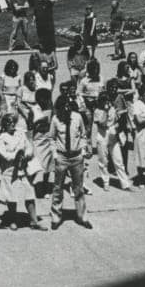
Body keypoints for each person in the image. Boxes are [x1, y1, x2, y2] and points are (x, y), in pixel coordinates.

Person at [49, 95, 91, 230]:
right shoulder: (55, 120)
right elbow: (51, 138)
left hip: (76, 157)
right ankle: (56, 217)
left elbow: (83, 135)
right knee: (58, 188)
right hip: (61, 157)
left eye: (68, 106)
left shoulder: (77, 117)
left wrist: (83, 150)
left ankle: (82, 217)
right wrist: (55, 155)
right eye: (63, 107)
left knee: (79, 188)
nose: (66, 109)